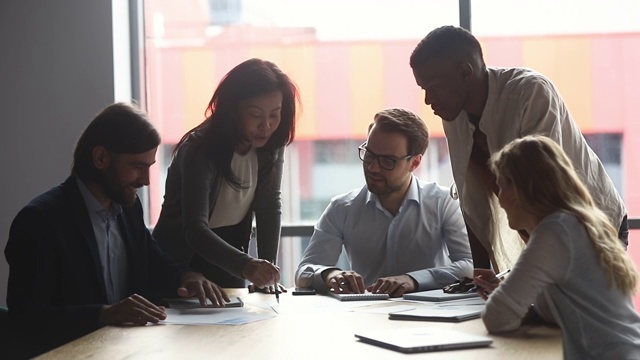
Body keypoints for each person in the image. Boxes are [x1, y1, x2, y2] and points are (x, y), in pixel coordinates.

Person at [4, 103, 229, 358]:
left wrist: (186, 277)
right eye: (137, 166)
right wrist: (104, 313)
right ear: (101, 158)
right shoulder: (40, 221)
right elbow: (26, 319)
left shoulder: (128, 208)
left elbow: (154, 260)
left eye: (149, 166)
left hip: (125, 350)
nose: (145, 180)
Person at [409, 25, 628, 272]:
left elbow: (545, 192)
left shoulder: (530, 92)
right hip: (541, 240)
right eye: (423, 89)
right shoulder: (453, 115)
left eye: (433, 88)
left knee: (589, 311)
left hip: (590, 230)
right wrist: (479, 275)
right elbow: (472, 198)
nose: (428, 100)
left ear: (464, 72)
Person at [474, 135, 640, 359]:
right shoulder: (576, 223)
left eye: (502, 187)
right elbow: (557, 310)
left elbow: (496, 317)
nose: (500, 199)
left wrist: (505, 300)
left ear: (521, 189)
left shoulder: (555, 231)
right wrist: (505, 289)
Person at [152, 58, 298, 292]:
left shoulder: (270, 146)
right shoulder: (200, 148)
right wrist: (248, 266)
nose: (266, 126)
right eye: (255, 115)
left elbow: (269, 206)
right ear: (233, 110)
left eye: (275, 115)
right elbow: (195, 229)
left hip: (229, 256)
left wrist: (266, 274)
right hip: (182, 262)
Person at [295, 108, 473, 297]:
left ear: (414, 163)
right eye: (369, 154)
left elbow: (470, 266)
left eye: (387, 161)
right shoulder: (342, 208)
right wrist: (330, 274)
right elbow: (304, 271)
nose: (373, 167)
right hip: (365, 317)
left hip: (430, 318)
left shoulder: (442, 202)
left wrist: (412, 280)